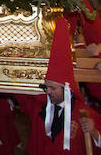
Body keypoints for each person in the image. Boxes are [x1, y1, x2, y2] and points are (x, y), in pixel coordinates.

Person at [19, 19, 101, 154]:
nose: (48, 92)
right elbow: (18, 92)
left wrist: (93, 131)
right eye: (47, 88)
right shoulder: (39, 108)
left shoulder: (84, 113)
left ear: (66, 88)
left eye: (53, 88)